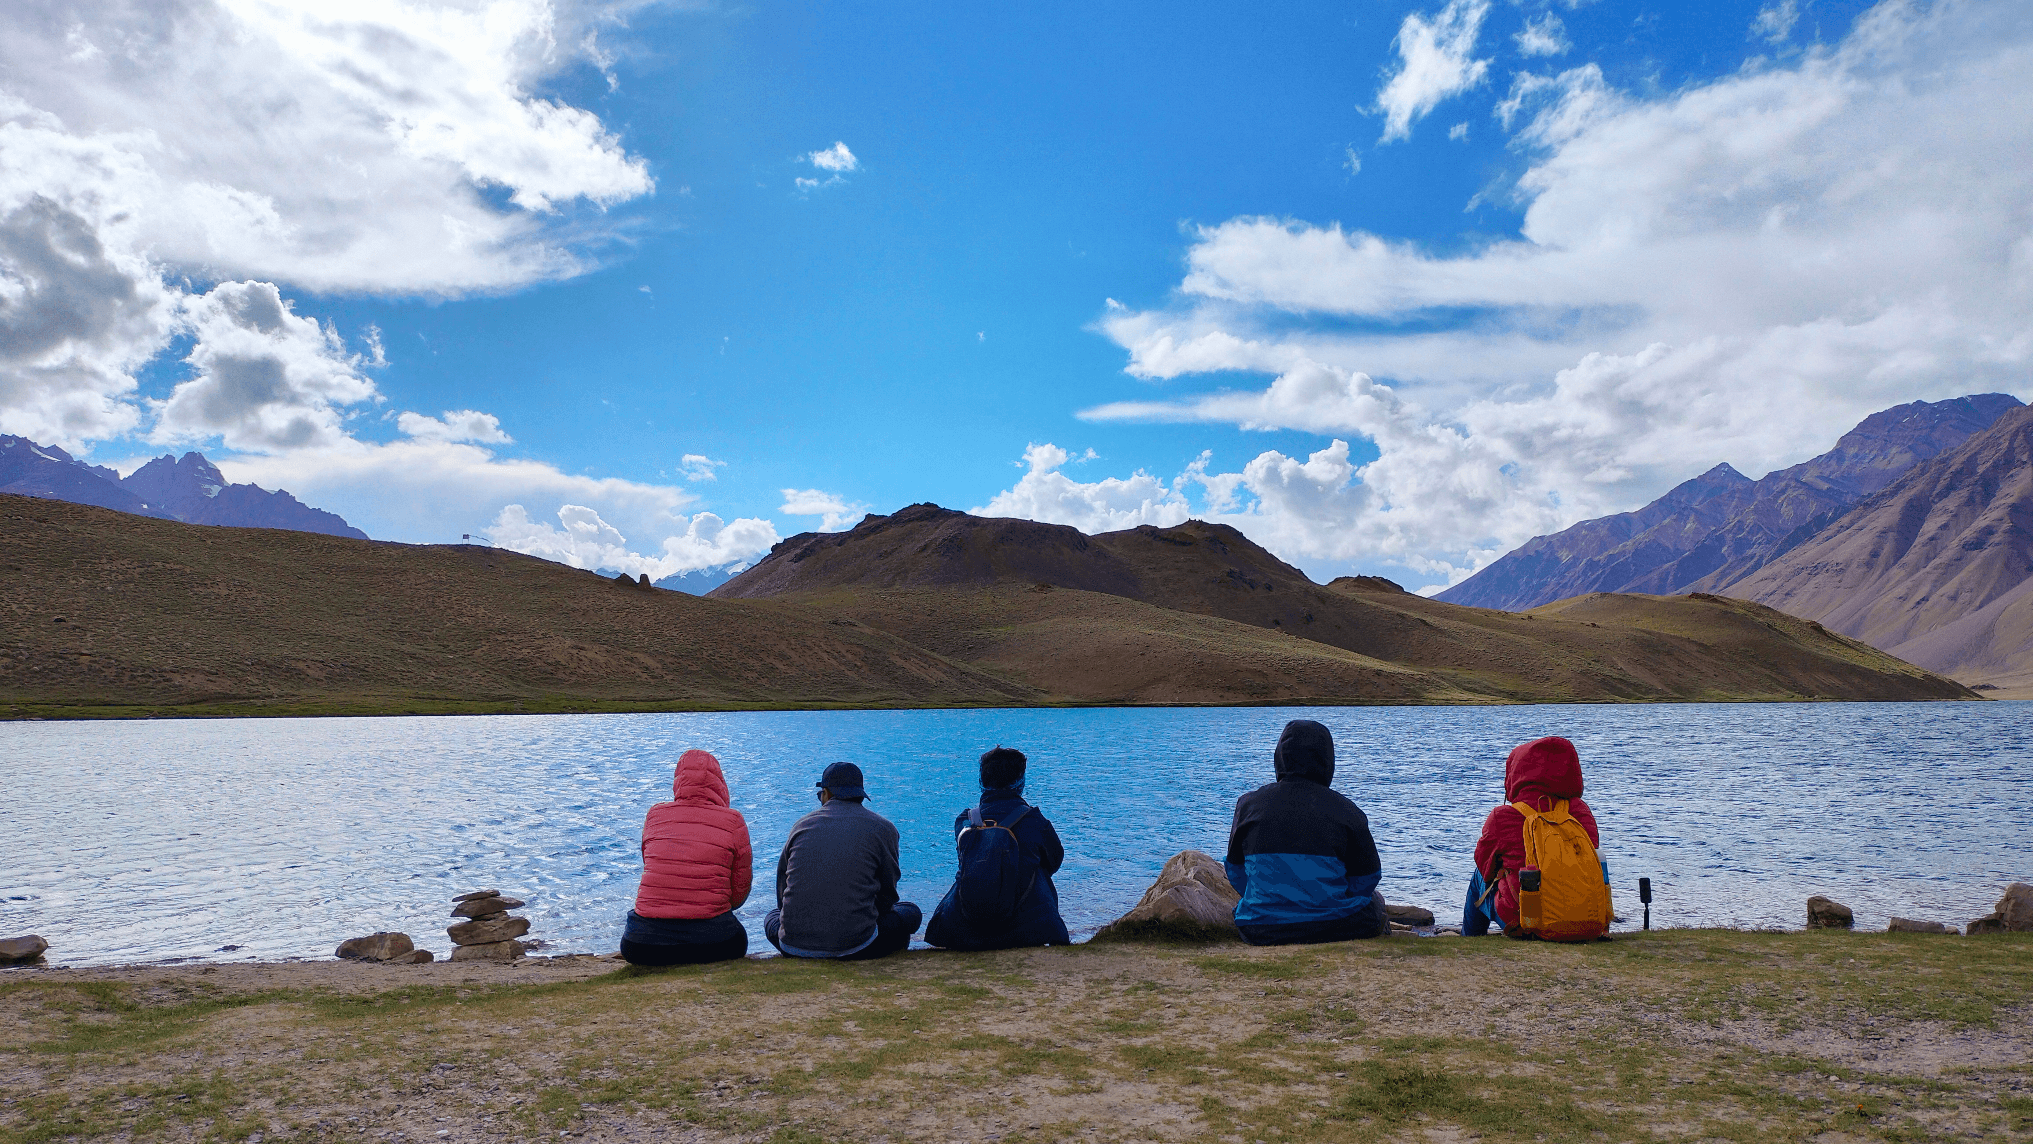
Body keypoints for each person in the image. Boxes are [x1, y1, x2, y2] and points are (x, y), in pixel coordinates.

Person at [1223, 719, 1388, 945]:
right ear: (1328, 761)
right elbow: (1369, 877)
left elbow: (1234, 870)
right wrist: (1330, 899)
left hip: (1260, 927)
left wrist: (1268, 899)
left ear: (1279, 757)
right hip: (1333, 924)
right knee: (1376, 903)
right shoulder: (1348, 811)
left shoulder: (1247, 805)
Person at [765, 762, 922, 960]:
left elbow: (782, 893)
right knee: (910, 912)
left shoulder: (801, 826)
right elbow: (888, 895)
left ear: (827, 794)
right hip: (858, 945)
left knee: (771, 917)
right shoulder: (884, 829)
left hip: (793, 945)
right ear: (860, 794)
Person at [925, 746, 1071, 951]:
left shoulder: (965, 820)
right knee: (1038, 869)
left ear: (982, 781)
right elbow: (1055, 860)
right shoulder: (1035, 821)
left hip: (964, 930)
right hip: (1025, 931)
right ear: (1020, 781)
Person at [621, 749, 753, 966]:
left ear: (678, 780)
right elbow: (738, 895)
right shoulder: (733, 820)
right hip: (712, 942)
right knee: (738, 938)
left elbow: (652, 866)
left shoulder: (655, 815)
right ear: (719, 782)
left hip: (641, 944)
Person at [1462, 735, 1603, 937]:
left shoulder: (1503, 816)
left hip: (1526, 921)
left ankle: (1470, 942)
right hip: (1583, 917)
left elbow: (1485, 868)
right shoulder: (1580, 811)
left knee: (1478, 879)